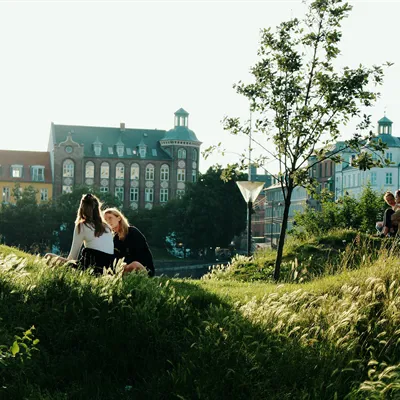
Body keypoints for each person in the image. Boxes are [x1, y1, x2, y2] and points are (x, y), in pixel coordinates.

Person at [45, 194, 115, 274]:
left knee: (48, 257)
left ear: (82, 208)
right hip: (106, 271)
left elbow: (73, 257)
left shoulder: (82, 226)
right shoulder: (107, 227)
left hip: (88, 270)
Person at [103, 208, 155, 277]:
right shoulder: (114, 239)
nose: (108, 221)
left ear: (119, 218)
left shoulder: (132, 232)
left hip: (142, 267)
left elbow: (140, 254)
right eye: (105, 220)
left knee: (134, 264)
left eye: (110, 218)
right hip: (124, 269)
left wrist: (125, 265)